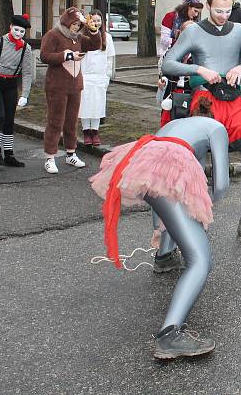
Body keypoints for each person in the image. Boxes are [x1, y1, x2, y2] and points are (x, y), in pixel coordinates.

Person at [89, 115, 231, 359]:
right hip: (169, 164)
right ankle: (170, 335)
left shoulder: (179, 126)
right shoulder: (218, 129)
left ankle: (164, 256)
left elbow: (160, 189)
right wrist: (207, 204)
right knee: (201, 260)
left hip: (140, 156)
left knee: (179, 219)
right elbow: (221, 185)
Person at [162, 0, 241, 241]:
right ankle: (187, 225)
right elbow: (168, 64)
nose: (223, 16)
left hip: (234, 101)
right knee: (196, 167)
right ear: (209, 5)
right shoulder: (194, 33)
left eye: (227, 11)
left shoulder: (238, 31)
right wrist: (198, 70)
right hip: (205, 100)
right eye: (217, 11)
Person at [39, 7, 102, 174]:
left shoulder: (79, 37)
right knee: (55, 121)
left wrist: (93, 29)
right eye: (74, 24)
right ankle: (50, 157)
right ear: (66, 23)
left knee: (71, 122)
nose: (76, 28)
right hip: (57, 86)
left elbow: (96, 45)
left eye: (79, 25)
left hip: (75, 86)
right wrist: (66, 56)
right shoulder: (53, 35)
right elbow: (44, 56)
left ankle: (70, 153)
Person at [0, 13, 36, 166]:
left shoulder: (26, 48)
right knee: (0, 116)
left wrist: (25, 94)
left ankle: (9, 155)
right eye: (16, 30)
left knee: (10, 120)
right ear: (11, 27)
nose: (18, 34)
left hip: (11, 84)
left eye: (22, 32)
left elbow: (27, 73)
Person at [79, 10, 116, 146]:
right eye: (93, 20)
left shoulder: (107, 37)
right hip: (85, 75)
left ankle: (95, 131)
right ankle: (86, 131)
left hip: (100, 76)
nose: (96, 23)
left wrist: (107, 76)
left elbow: (109, 58)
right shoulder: (82, 36)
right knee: (85, 105)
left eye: (98, 21)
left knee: (97, 105)